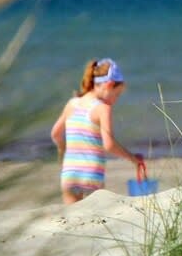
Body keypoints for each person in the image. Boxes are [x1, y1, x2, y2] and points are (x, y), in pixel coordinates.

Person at [51, 57, 145, 204]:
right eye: (117, 94)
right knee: (94, 220)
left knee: (71, 221)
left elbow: (55, 133)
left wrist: (63, 150)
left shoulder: (72, 103)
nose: (115, 100)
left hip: (70, 173)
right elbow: (109, 145)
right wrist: (133, 158)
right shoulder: (102, 108)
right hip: (91, 175)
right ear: (109, 85)